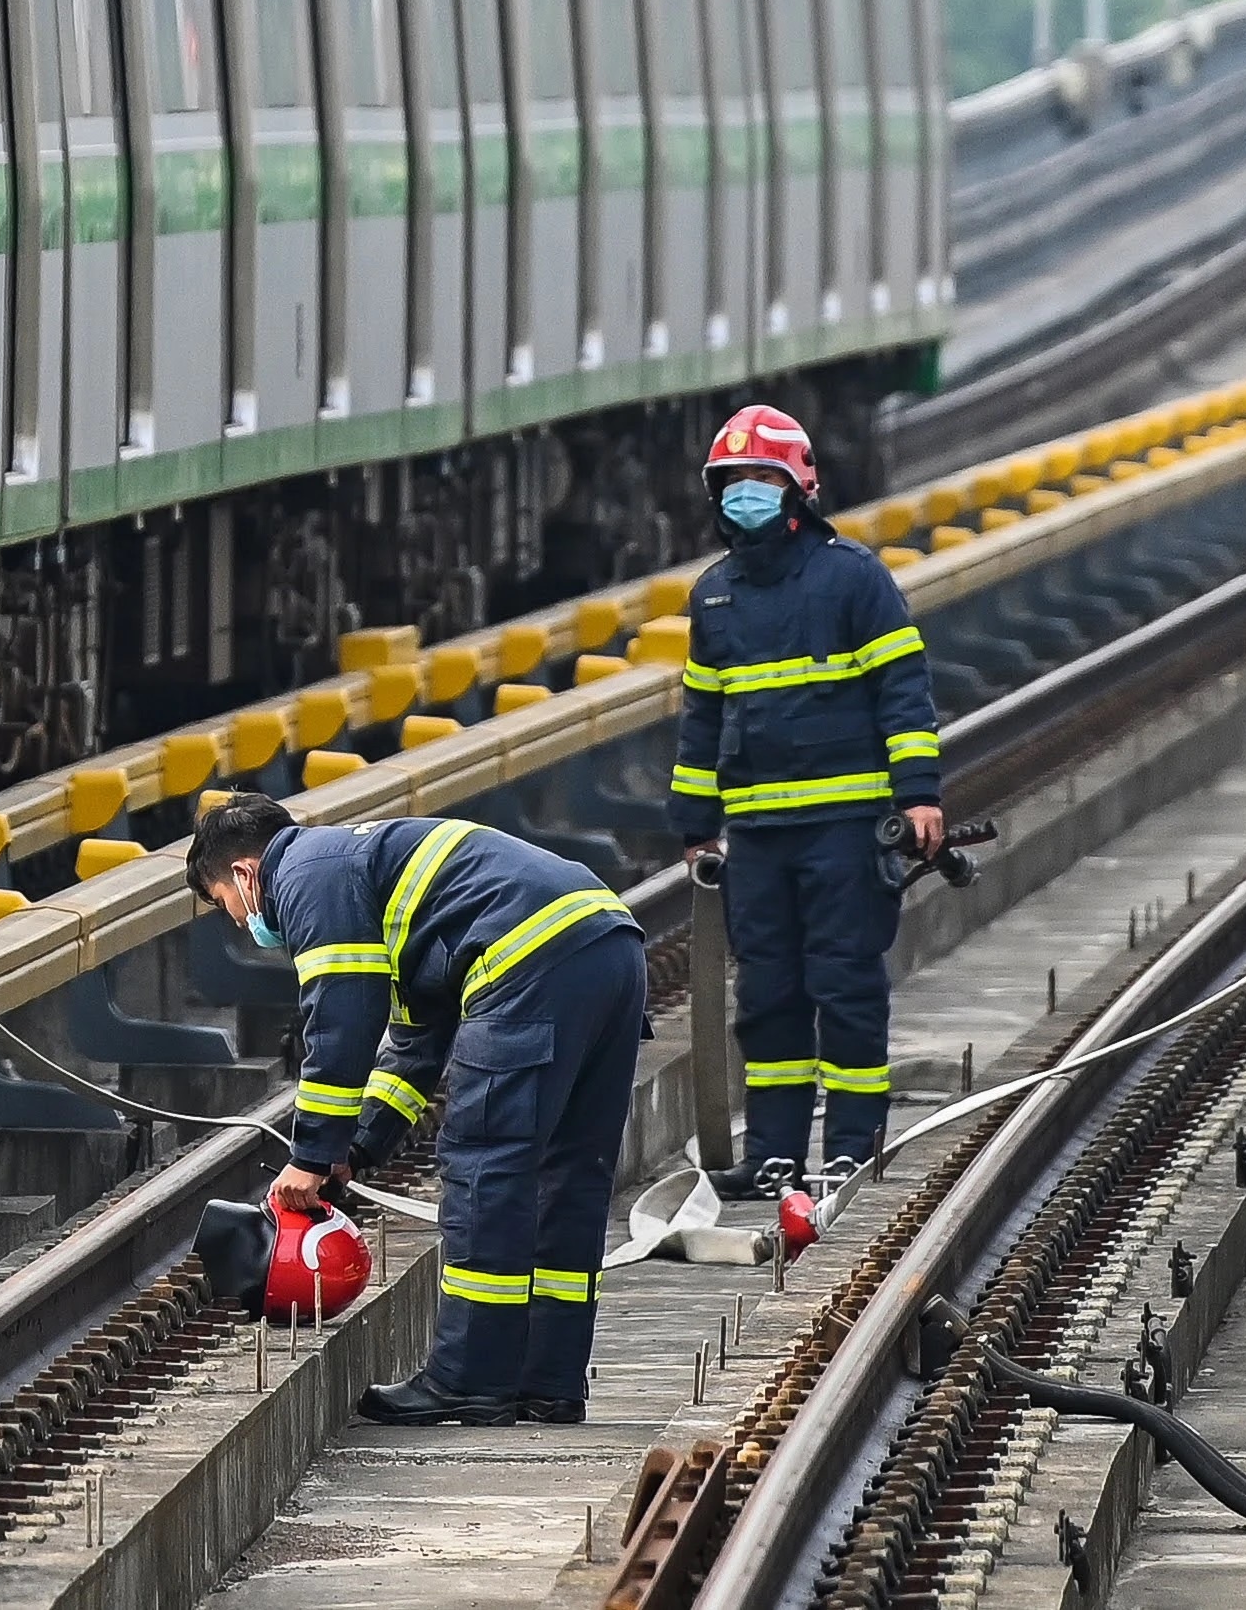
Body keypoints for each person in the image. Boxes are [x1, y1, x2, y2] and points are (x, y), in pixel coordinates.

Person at [190, 791, 646, 1427]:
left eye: (225, 906)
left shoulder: (302, 877)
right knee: (569, 1178)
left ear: (243, 873)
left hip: (526, 960)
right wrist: (356, 1152)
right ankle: (549, 1382)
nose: (241, 924)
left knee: (487, 1171)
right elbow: (414, 1046)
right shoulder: (364, 871)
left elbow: (342, 1017)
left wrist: (310, 1154)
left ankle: (469, 1381)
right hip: (608, 944)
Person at [666, 400, 943, 1198]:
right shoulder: (714, 598)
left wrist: (918, 795)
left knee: (845, 989)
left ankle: (852, 1152)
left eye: (760, 477)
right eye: (731, 480)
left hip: (844, 832)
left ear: (797, 486)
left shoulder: (852, 579)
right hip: (758, 836)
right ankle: (776, 1157)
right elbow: (702, 716)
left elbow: (902, 692)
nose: (743, 493)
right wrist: (694, 825)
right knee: (769, 999)